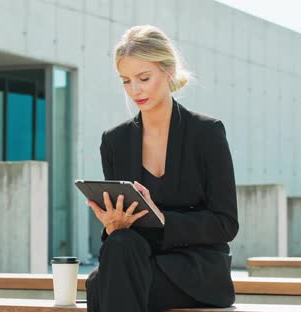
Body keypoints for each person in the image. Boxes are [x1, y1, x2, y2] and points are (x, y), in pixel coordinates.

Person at [85, 25, 239, 312]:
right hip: (136, 261)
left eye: (144, 78)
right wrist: (113, 225)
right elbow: (120, 234)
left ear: (168, 71)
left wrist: (162, 219)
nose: (135, 90)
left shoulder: (206, 133)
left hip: (196, 270)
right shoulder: (114, 141)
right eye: (126, 81)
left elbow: (226, 223)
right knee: (118, 248)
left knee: (101, 287)